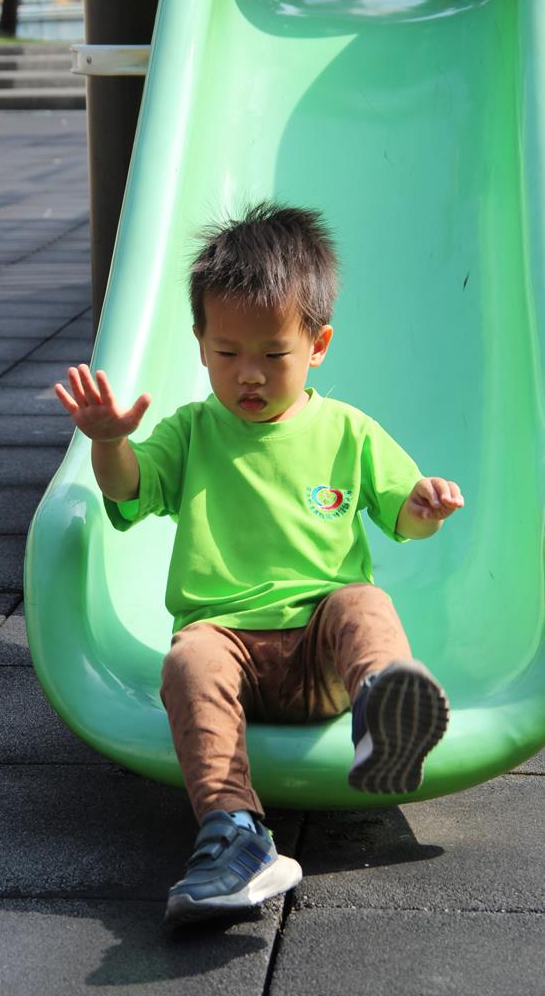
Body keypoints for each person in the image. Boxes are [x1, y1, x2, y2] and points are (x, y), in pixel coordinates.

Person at [55, 202, 464, 927]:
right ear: (200, 345)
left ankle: (386, 711)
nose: (248, 375)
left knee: (361, 603)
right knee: (188, 658)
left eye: (273, 356)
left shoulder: (347, 431)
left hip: (320, 657)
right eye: (226, 353)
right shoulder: (190, 431)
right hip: (227, 644)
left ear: (317, 345)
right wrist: (108, 442)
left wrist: (424, 505)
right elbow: (128, 490)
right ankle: (235, 834)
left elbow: (402, 512)